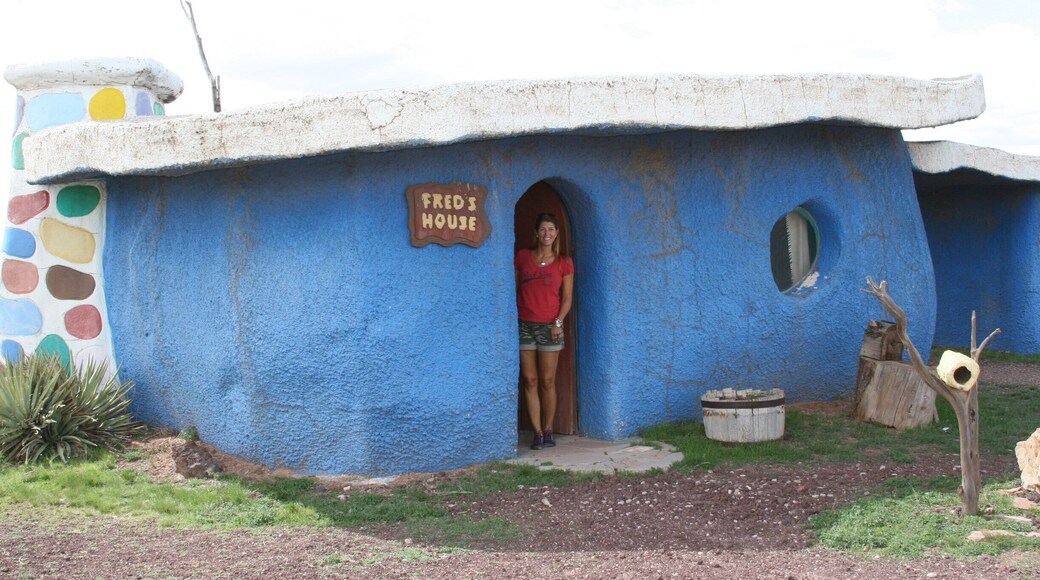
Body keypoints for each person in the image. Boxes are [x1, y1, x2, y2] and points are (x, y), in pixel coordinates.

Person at [515, 212, 574, 450]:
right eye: (542, 229)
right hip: (524, 324)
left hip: (551, 328)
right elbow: (516, 287)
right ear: (536, 233)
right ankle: (537, 432)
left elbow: (567, 299)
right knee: (530, 380)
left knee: (547, 380)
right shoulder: (522, 257)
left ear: (556, 233)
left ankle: (549, 429)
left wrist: (558, 322)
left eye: (551, 229)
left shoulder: (564, 262)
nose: (546, 234)